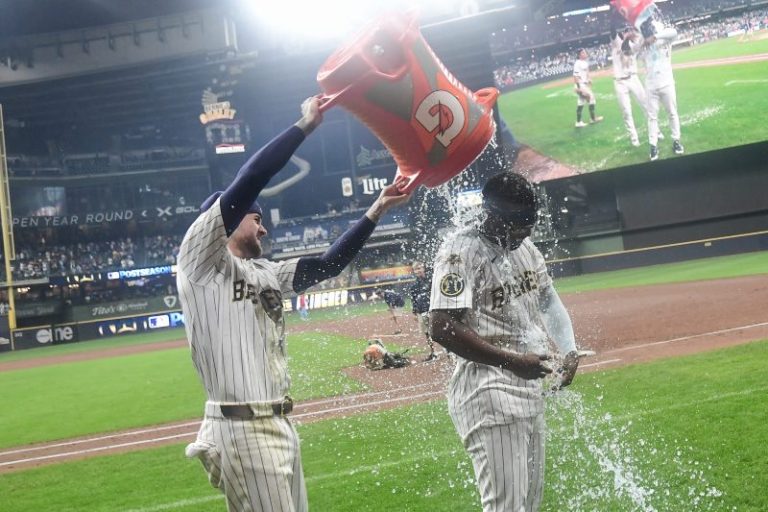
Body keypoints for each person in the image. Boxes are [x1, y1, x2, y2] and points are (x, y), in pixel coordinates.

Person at [179, 97, 410, 512]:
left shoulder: (266, 272)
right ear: (230, 220)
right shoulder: (199, 261)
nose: (264, 228)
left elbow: (328, 263)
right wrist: (304, 126)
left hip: (279, 422)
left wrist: (377, 208)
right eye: (257, 218)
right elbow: (251, 177)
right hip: (240, 425)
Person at [429, 171, 580, 512]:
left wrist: (568, 348)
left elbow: (547, 300)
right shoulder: (458, 253)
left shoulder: (524, 248)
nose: (526, 232)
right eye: (519, 223)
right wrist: (511, 361)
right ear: (493, 215)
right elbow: (440, 326)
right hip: (487, 390)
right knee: (507, 507)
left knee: (527, 504)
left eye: (531, 222)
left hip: (527, 384)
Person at [611, 25, 664, 147]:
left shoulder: (634, 44)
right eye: (625, 31)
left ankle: (656, 131)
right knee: (626, 111)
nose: (628, 32)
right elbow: (613, 32)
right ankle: (634, 137)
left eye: (629, 30)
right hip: (620, 82)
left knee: (646, 105)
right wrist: (613, 11)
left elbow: (642, 41)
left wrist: (636, 33)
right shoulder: (615, 43)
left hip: (633, 78)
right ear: (621, 33)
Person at [641, 17, 684, 161]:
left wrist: (656, 36)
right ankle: (653, 146)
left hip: (667, 82)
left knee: (672, 113)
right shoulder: (642, 43)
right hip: (650, 85)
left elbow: (673, 32)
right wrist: (640, 41)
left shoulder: (664, 38)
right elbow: (629, 51)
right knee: (652, 117)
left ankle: (676, 141)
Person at [408, 260, 437, 361]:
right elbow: (414, 300)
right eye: (416, 269)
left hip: (434, 310)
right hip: (422, 311)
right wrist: (415, 313)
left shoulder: (432, 280)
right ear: (414, 271)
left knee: (440, 330)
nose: (418, 271)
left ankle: (449, 351)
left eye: (419, 268)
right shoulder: (414, 286)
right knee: (427, 333)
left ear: (423, 268)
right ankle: (433, 352)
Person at [573, 48, 604, 128]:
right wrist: (579, 88)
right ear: (579, 55)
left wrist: (589, 79)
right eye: (583, 53)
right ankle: (593, 119)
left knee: (581, 102)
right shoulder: (577, 63)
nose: (585, 53)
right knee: (591, 98)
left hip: (584, 84)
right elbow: (575, 75)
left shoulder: (585, 63)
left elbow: (587, 73)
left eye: (585, 52)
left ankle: (579, 122)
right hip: (580, 85)